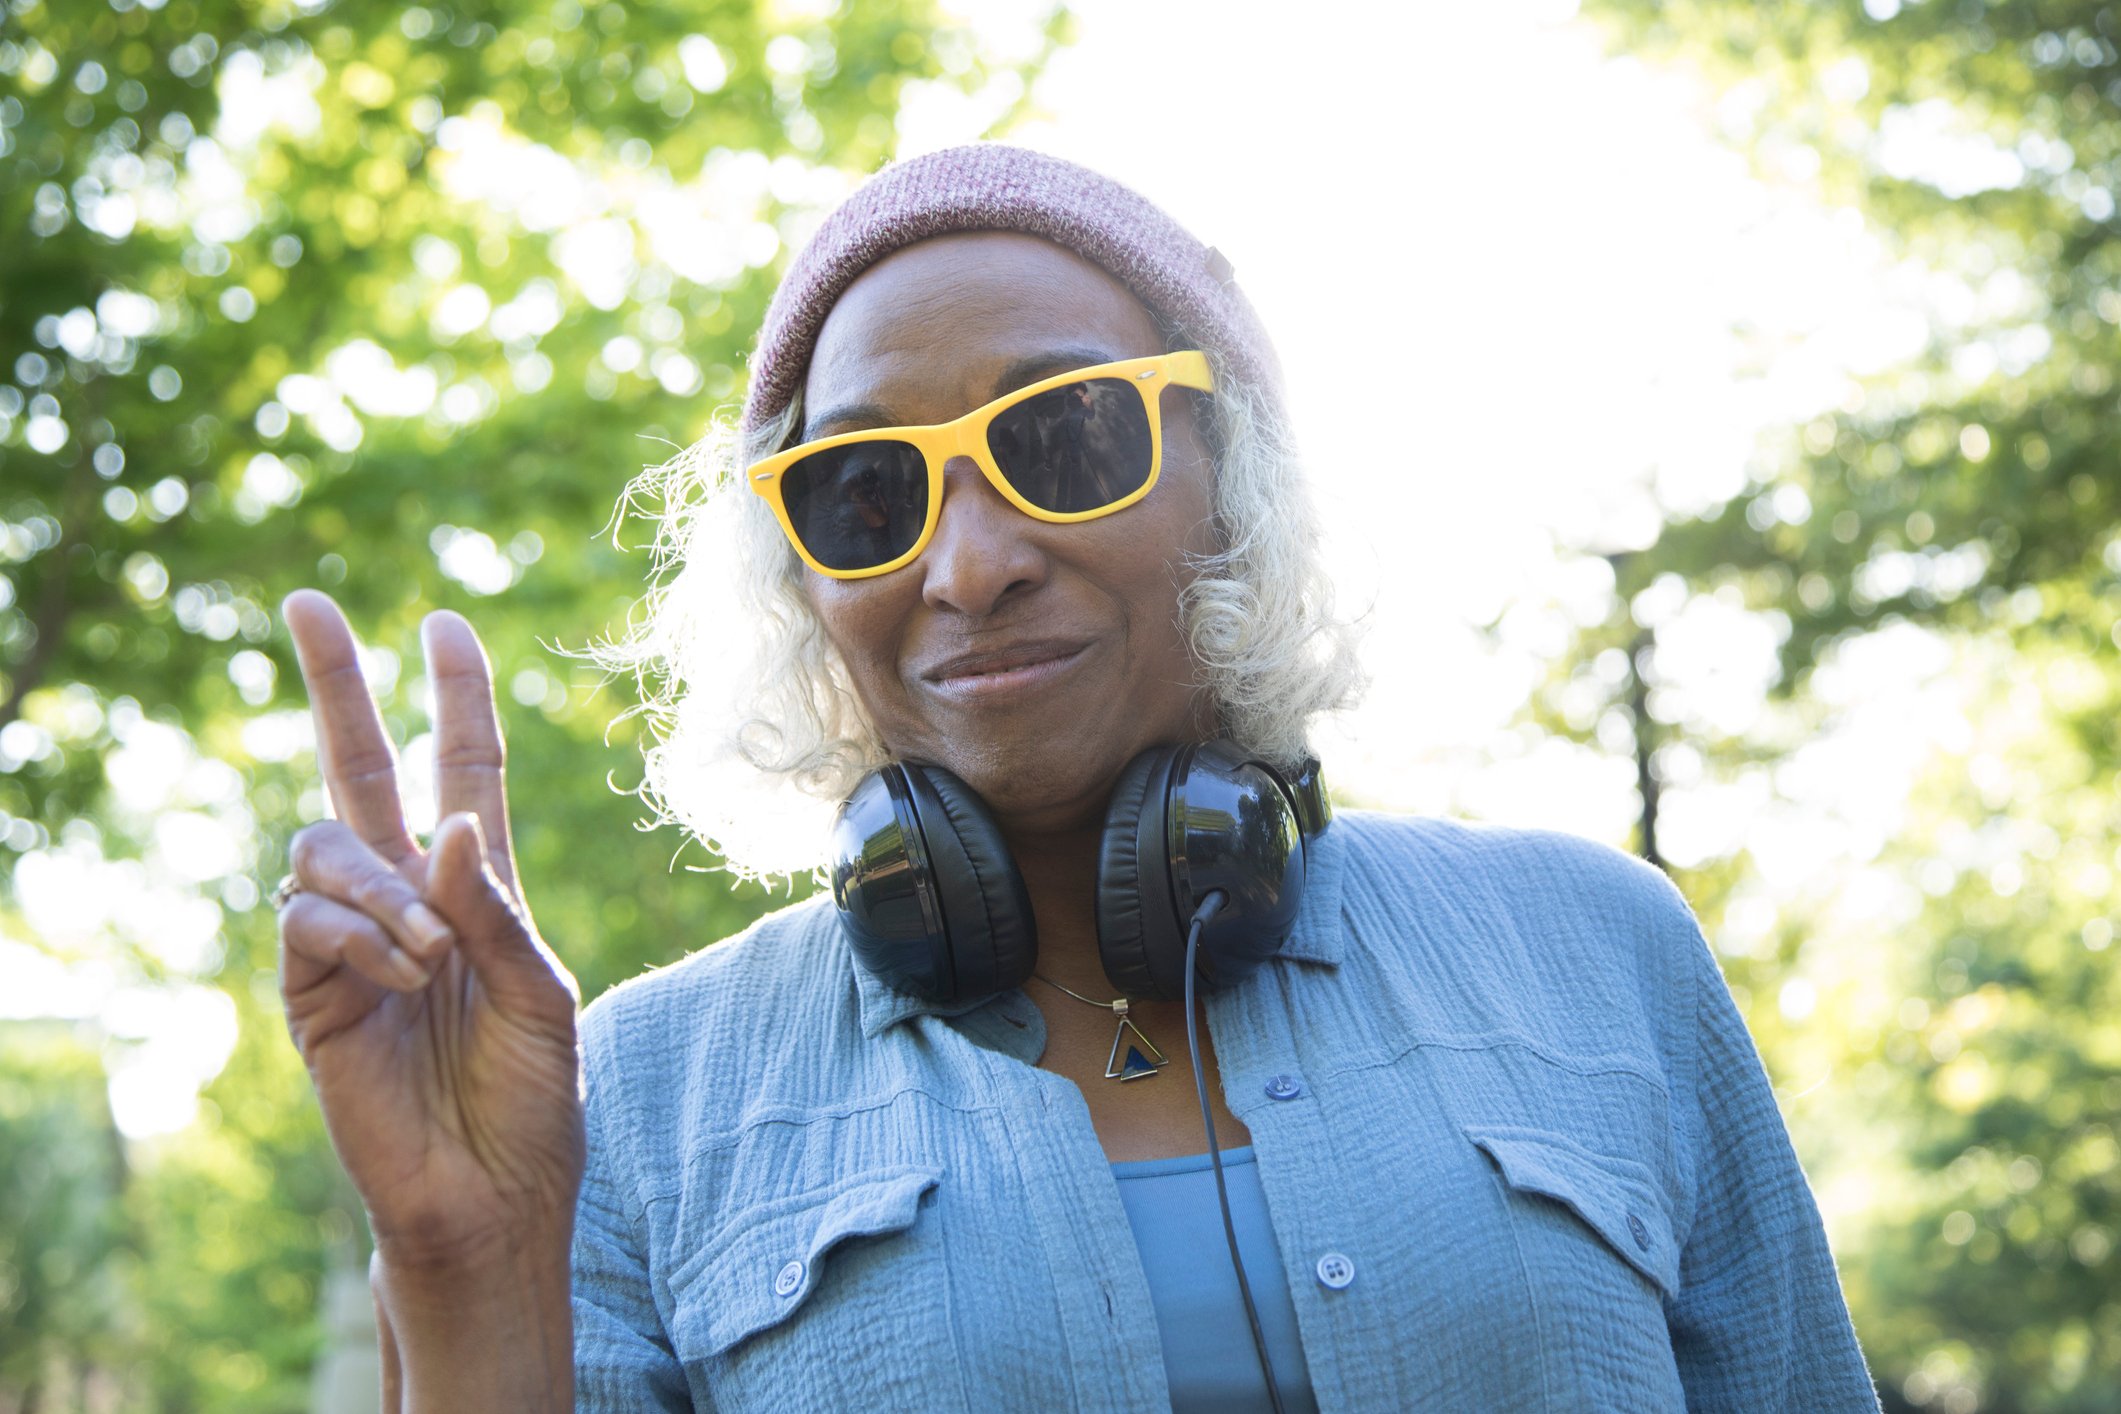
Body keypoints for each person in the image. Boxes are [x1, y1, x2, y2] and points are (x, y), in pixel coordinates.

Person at [272, 144, 1880, 1412]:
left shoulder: (1600, 949)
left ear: (1230, 479)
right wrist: (463, 1257)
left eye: (1064, 437)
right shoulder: (628, 1095)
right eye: (859, 492)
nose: (966, 566)